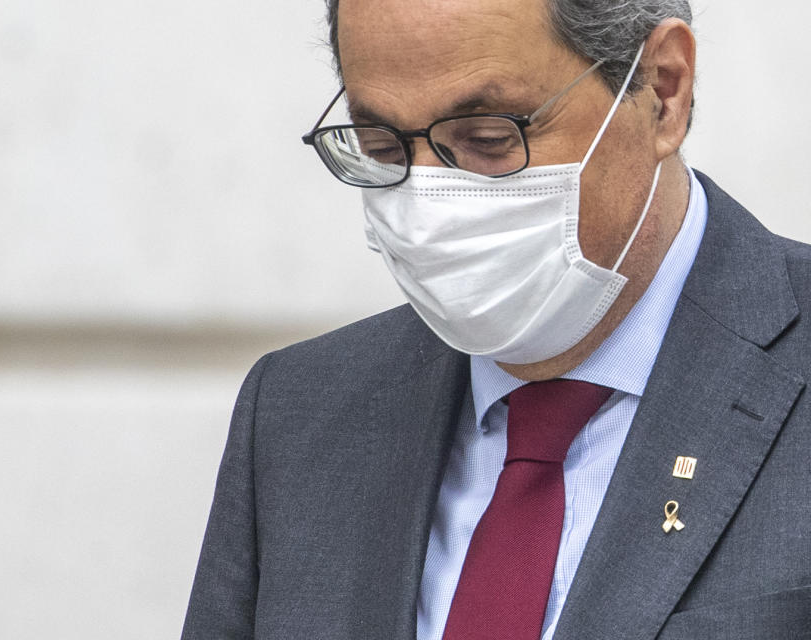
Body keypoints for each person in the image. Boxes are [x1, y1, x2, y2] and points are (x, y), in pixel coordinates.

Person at [182, 0, 811, 638]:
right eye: (380, 144)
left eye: (488, 138)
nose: (424, 203)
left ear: (663, 90)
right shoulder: (299, 413)